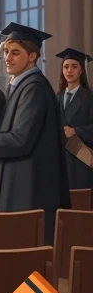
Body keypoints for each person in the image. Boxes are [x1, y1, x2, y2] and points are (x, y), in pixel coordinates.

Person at [0, 23, 70, 244]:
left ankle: (30, 281)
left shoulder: (33, 88)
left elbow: (21, 139)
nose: (8, 58)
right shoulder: (22, 85)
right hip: (20, 182)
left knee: (27, 256)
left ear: (32, 56)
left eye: (15, 52)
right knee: (16, 257)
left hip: (29, 188)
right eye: (6, 52)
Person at [56, 48, 93, 191]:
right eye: (66, 67)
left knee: (80, 202)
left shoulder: (89, 98)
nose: (69, 70)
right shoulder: (56, 97)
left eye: (74, 66)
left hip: (81, 158)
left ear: (81, 71)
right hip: (60, 159)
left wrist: (76, 131)